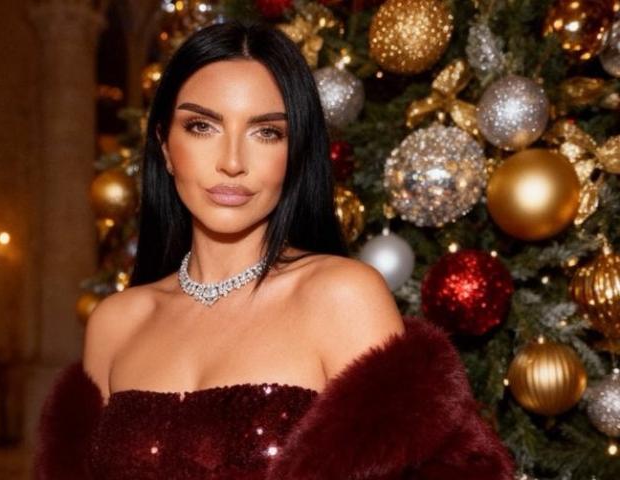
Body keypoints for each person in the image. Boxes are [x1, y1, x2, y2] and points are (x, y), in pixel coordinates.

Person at [33, 19, 515, 480]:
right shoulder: (116, 323)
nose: (232, 162)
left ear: (295, 152)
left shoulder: (341, 296)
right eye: (202, 126)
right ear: (164, 144)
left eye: (267, 132)